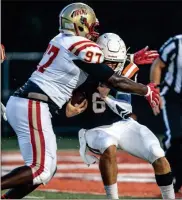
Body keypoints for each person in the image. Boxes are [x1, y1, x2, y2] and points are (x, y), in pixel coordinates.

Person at [1, 3, 160, 199]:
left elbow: (94, 67)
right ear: (80, 25)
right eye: (92, 27)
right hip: (33, 104)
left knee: (45, 171)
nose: (94, 32)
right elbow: (113, 80)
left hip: (29, 104)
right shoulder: (82, 46)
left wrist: (130, 57)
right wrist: (146, 90)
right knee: (41, 169)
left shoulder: (61, 40)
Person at [66, 33, 175, 199]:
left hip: (122, 123)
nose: (111, 66)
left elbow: (125, 108)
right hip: (94, 129)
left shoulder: (126, 68)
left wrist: (106, 97)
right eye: (107, 61)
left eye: (115, 62)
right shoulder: (83, 71)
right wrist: (66, 106)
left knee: (157, 152)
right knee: (108, 145)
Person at [150, 34, 182, 193]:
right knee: (175, 137)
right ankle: (170, 175)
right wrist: (154, 90)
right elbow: (157, 64)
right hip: (173, 97)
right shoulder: (176, 43)